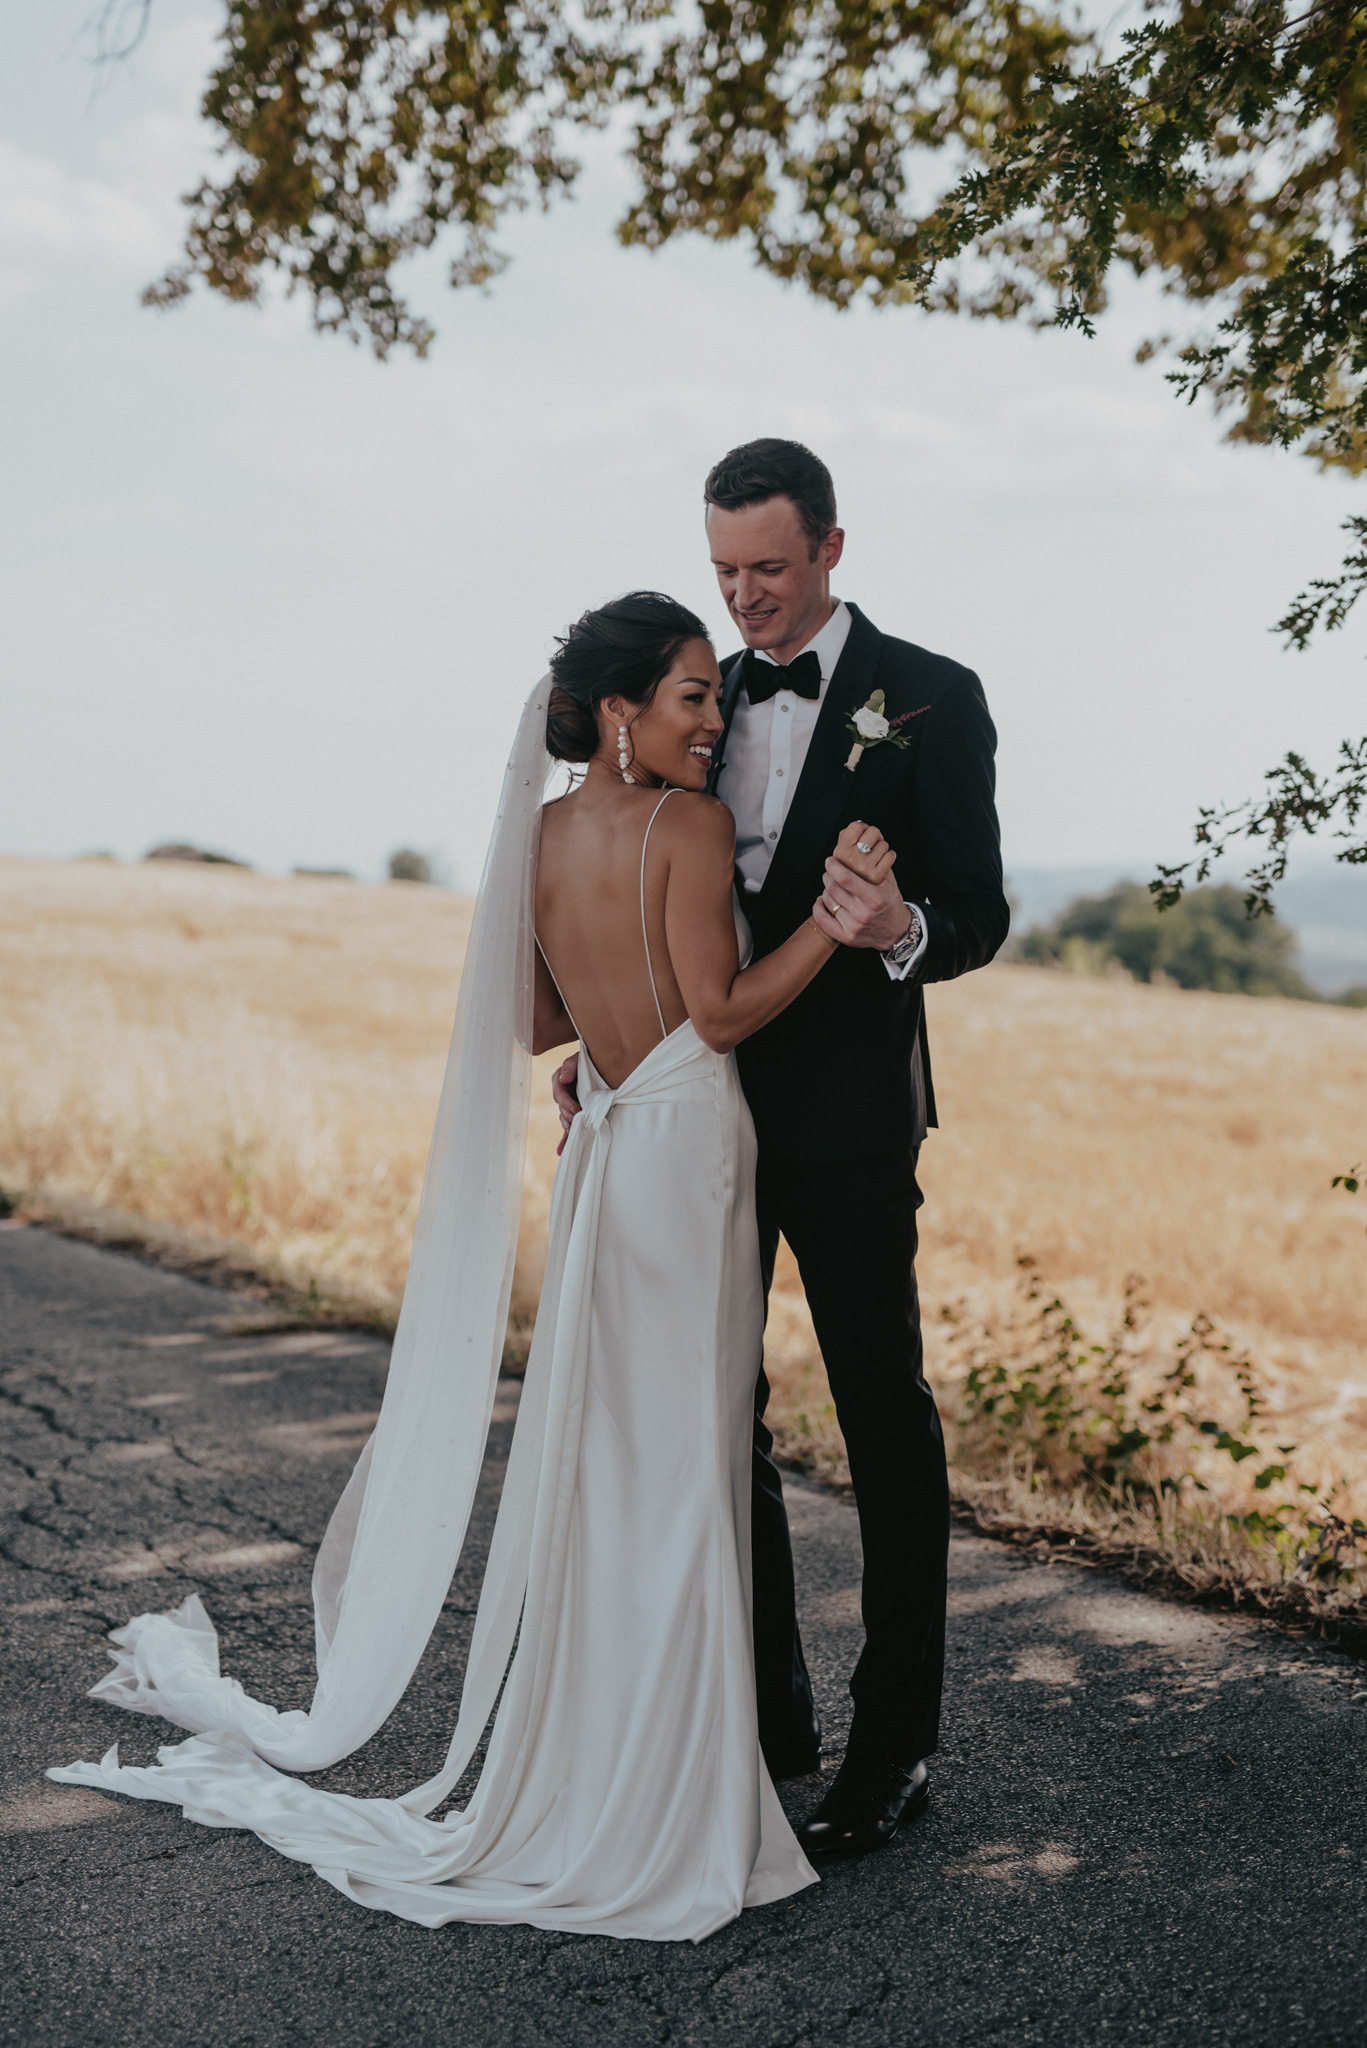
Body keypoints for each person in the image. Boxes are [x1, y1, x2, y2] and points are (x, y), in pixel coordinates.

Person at [49, 592, 895, 1941]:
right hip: (682, 1155)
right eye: (689, 693)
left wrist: (611, 1041)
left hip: (610, 1145)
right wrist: (833, 930)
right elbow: (724, 1015)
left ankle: (610, 1767)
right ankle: (675, 1793)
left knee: (621, 1459)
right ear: (620, 710)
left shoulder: (545, 835)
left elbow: (539, 1018)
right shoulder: (688, 827)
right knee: (686, 1458)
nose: (712, 715)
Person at [555, 442, 1009, 1863]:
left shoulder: (935, 695)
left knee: (882, 1415)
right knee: (714, 1415)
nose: (745, 598)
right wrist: (608, 1036)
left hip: (851, 1124)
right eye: (725, 572)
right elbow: (662, 897)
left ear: (828, 549)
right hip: (698, 1112)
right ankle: (765, 1720)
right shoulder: (703, 692)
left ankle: (894, 1748)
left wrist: (902, 933)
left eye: (769, 567)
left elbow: (980, 912)